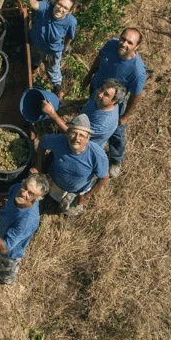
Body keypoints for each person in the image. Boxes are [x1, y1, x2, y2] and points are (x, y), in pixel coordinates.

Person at [81, 28, 147, 177]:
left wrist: (125, 117)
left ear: (136, 47)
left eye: (130, 42)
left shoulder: (137, 71)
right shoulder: (111, 44)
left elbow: (136, 96)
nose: (123, 44)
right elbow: (99, 58)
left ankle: (116, 159)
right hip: (97, 90)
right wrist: (89, 75)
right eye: (122, 39)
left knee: (117, 131)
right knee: (89, 112)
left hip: (114, 104)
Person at [0, 173, 49, 284]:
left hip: (11, 252)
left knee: (7, 266)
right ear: (24, 182)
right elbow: (7, 202)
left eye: (30, 194)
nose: (23, 193)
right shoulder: (17, 188)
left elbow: (5, 249)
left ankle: (2, 279)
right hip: (3, 228)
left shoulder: (27, 221)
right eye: (25, 187)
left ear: (36, 199)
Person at [35, 114, 109, 216]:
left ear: (88, 138)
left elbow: (104, 177)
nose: (76, 138)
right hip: (55, 182)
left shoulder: (97, 154)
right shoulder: (59, 141)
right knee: (50, 198)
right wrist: (38, 168)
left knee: (69, 211)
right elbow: (42, 142)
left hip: (78, 191)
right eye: (73, 133)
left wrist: (86, 196)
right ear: (68, 132)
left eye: (81, 135)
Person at [41, 78, 127, 149]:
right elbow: (89, 100)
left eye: (106, 95)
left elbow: (72, 132)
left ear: (114, 102)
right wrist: (69, 103)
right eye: (102, 89)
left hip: (82, 146)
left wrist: (52, 113)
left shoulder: (104, 122)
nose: (100, 94)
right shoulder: (99, 95)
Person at [24, 0, 77, 99]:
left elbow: (70, 36)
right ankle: (35, 68)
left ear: (70, 11)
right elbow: (33, 4)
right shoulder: (46, 7)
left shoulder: (71, 22)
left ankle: (57, 88)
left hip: (51, 52)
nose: (60, 9)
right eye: (59, 4)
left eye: (65, 8)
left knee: (53, 71)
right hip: (34, 43)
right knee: (34, 59)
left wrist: (65, 48)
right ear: (55, 2)